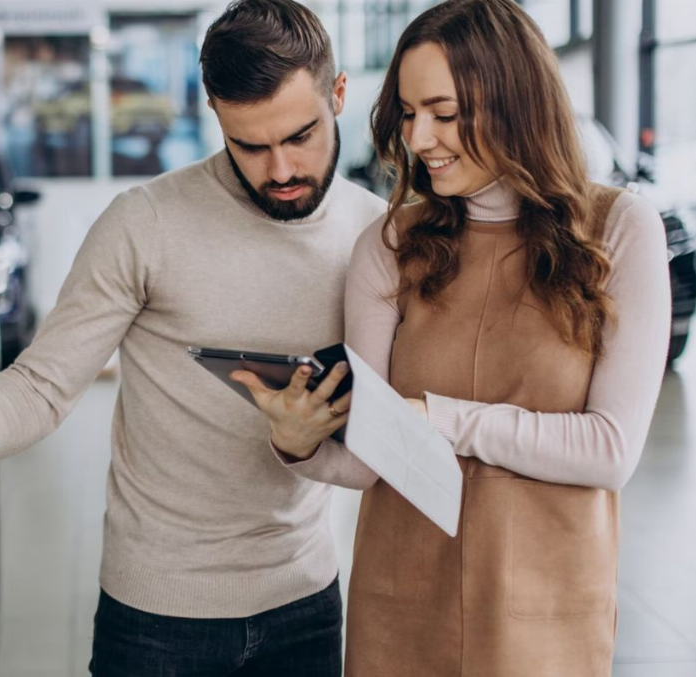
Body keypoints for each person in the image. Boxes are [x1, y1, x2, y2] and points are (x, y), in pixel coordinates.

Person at [0, 1, 383, 674]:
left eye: (300, 136)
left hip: (305, 603)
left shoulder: (374, 238)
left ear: (337, 94)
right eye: (249, 145)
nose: (279, 169)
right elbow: (41, 388)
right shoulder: (143, 224)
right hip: (158, 617)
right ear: (214, 115)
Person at [233, 1, 671, 675]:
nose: (419, 138)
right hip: (401, 604)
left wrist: (438, 419)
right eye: (408, 114)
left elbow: (608, 450)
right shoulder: (389, 245)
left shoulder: (617, 231)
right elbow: (364, 460)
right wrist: (298, 444)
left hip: (545, 615)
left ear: (514, 101)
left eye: (443, 113)